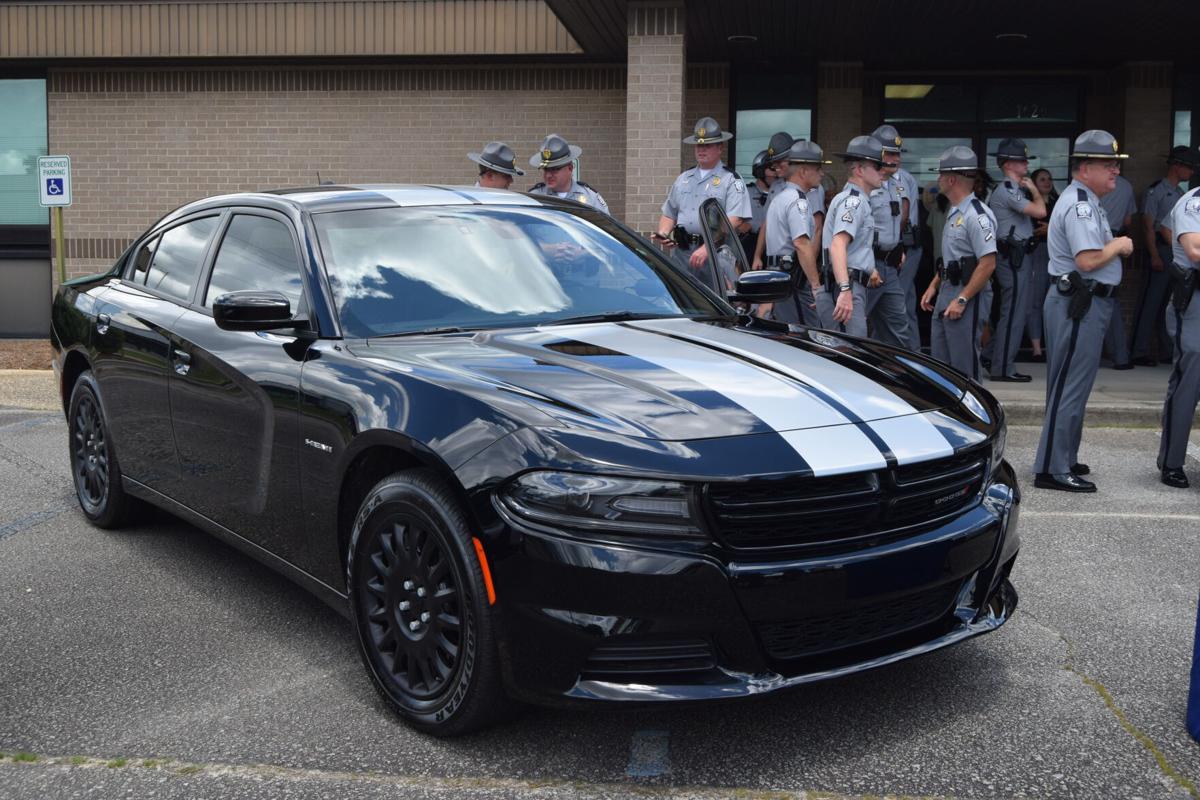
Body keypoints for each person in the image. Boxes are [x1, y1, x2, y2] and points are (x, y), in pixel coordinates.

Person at [1033, 130, 1135, 492]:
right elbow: (1088, 259)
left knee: (1073, 384)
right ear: (1085, 166)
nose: (1115, 172)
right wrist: (1119, 245)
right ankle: (1053, 468)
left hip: (1084, 302)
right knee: (1069, 386)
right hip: (1078, 302)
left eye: (1115, 165)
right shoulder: (1079, 203)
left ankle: (1063, 456)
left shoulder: (1086, 200)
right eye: (1108, 165)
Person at [920, 146, 996, 380]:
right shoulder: (955, 212)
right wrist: (934, 285)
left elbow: (988, 263)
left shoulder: (977, 215)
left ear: (952, 179)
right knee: (942, 366)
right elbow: (952, 258)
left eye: (941, 175)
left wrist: (962, 299)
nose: (938, 180)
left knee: (965, 368)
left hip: (967, 295)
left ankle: (975, 416)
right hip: (947, 290)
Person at [656, 117, 751, 276]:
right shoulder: (683, 178)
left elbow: (735, 219)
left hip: (716, 253)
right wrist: (663, 233)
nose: (701, 150)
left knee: (714, 298)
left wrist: (707, 247)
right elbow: (669, 213)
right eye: (699, 145)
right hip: (682, 253)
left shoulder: (731, 179)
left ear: (720, 148)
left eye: (707, 145)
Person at [1132, 146, 1200, 366]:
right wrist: (1154, 255)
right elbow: (1148, 226)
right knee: (1151, 303)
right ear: (1176, 166)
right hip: (1162, 250)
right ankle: (1138, 350)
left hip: (1178, 255)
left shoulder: (1182, 195)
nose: (1191, 172)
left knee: (1172, 302)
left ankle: (1166, 350)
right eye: (1188, 167)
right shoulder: (1156, 191)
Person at [986, 138, 1048, 382]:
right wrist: (1034, 189)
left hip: (1019, 256)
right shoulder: (1008, 190)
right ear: (1009, 164)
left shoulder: (1013, 190)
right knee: (1013, 313)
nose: (1026, 165)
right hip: (1011, 258)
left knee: (1014, 312)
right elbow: (1041, 211)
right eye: (1022, 161)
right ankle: (1002, 368)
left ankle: (993, 356)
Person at [823, 135, 888, 337]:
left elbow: (853, 247)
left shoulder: (857, 200)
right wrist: (844, 290)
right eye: (877, 166)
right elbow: (838, 244)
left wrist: (870, 268)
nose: (883, 172)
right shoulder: (854, 202)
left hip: (850, 284)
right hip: (847, 285)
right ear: (859, 170)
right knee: (849, 352)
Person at [1157, 183, 1200, 488]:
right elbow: (1194, 249)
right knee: (1188, 381)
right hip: (1195, 300)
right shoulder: (1193, 202)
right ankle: (1172, 462)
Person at [763, 140, 832, 327]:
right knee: (804, 333)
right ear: (803, 171)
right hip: (792, 278)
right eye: (817, 169)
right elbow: (801, 244)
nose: (821, 173)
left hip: (780, 276)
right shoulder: (797, 201)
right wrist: (816, 287)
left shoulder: (781, 197)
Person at [873, 124, 922, 350]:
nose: (896, 159)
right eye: (890, 153)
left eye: (897, 154)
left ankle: (911, 361)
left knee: (900, 311)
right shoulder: (867, 181)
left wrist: (898, 249)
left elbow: (904, 220)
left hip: (898, 253)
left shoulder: (903, 181)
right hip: (870, 259)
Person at [1024, 168, 1059, 361]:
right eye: (1042, 179)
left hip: (1055, 255)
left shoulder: (1059, 203)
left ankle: (1052, 346)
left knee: (1053, 301)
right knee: (1035, 302)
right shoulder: (1030, 205)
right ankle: (1036, 348)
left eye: (1049, 178)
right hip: (1035, 254)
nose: (1047, 182)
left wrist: (1050, 229)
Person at [527, 134, 610, 215]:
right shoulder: (535, 197)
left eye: (554, 169)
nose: (548, 175)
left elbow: (606, 227)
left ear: (570, 168)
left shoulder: (591, 199)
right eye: (546, 169)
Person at [751, 131, 797, 268]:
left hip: (796, 262)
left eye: (779, 162)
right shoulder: (775, 186)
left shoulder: (808, 186)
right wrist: (757, 256)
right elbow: (766, 223)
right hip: (774, 264)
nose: (775, 168)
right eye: (773, 163)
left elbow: (817, 229)